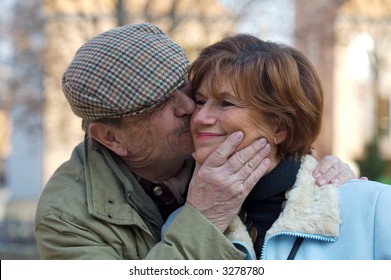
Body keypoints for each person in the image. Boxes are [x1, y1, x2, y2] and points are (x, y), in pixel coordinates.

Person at [35, 23, 357, 260]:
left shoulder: (206, 143)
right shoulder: (66, 217)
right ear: (111, 137)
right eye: (158, 104)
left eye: (183, 84)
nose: (191, 108)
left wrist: (316, 176)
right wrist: (203, 220)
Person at [182, 33, 391, 259]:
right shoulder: (182, 224)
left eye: (226, 103)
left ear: (279, 128)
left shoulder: (373, 209)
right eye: (201, 101)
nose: (200, 117)